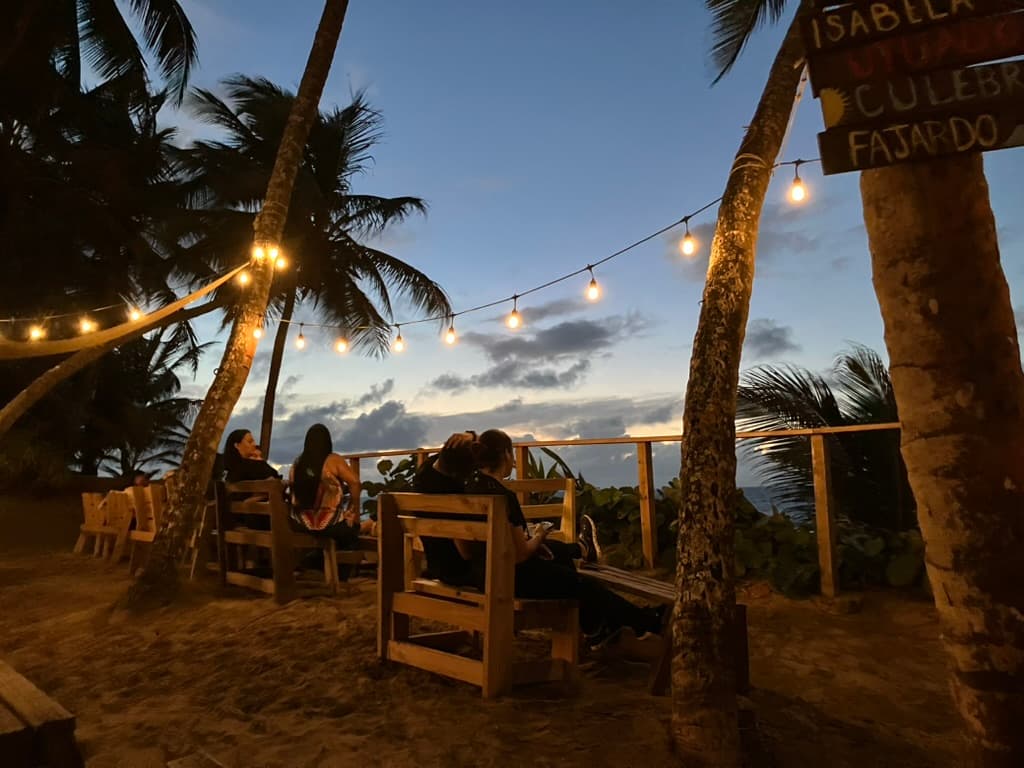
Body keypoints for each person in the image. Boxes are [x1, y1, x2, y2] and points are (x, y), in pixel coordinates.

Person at [464, 429, 663, 649]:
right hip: (509, 579)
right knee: (581, 584)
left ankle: (601, 627)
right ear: (505, 455)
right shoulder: (504, 497)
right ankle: (646, 621)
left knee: (562, 563)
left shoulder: (470, 489)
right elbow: (520, 555)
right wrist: (539, 535)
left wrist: (536, 545)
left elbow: (473, 548)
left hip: (481, 573)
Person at [289, 424, 371, 556]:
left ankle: (316, 562)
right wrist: (353, 508)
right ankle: (340, 571)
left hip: (300, 525)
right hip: (329, 527)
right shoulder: (333, 460)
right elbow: (355, 483)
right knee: (353, 534)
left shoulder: (297, 464)